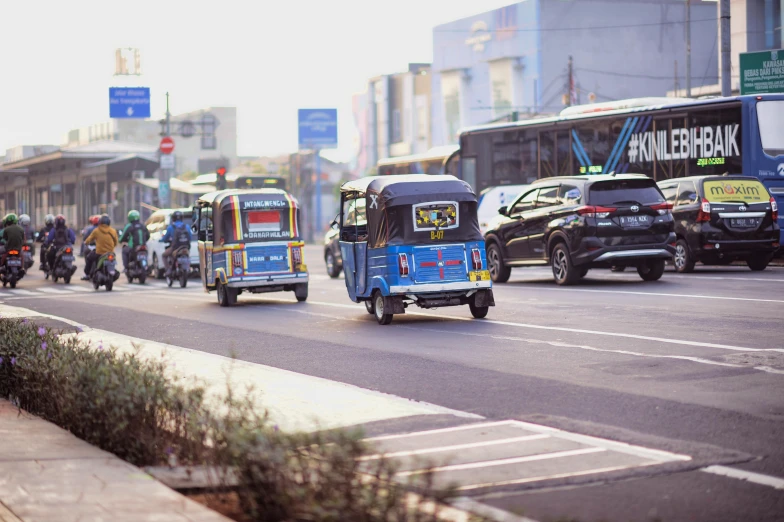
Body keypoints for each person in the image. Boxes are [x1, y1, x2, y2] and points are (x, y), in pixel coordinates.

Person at [82, 214, 118, 280]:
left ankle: (87, 273)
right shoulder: (113, 231)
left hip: (99, 253)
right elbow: (115, 242)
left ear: (100, 222)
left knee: (89, 258)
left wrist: (86, 242)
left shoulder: (97, 230)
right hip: (110, 253)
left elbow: (89, 239)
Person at [160, 211, 192, 277]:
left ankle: (168, 270)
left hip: (175, 248)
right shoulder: (187, 226)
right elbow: (190, 237)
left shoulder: (170, 227)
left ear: (173, 218)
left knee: (164, 255)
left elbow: (165, 238)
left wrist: (161, 240)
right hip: (185, 247)